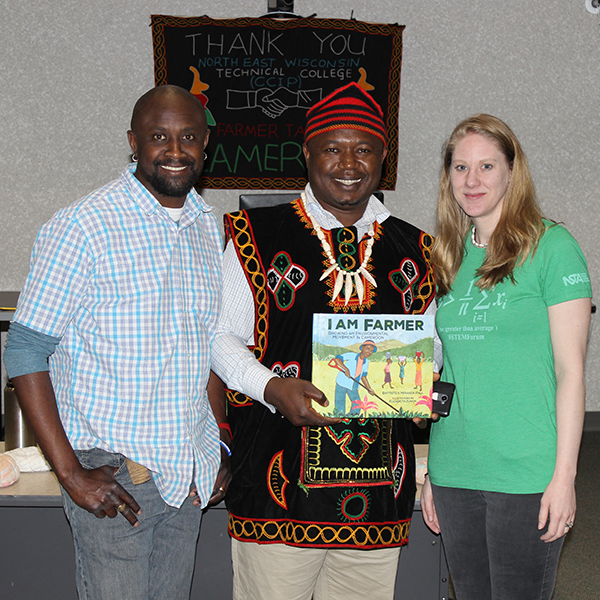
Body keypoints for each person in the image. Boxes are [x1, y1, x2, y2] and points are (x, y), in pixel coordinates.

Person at [211, 82, 438, 600]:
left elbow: (433, 341)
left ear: (384, 156)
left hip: (377, 490)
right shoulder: (255, 235)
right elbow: (219, 337)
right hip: (276, 479)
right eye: (332, 148)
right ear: (307, 152)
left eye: (364, 148)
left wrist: (421, 379)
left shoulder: (418, 248)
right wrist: (270, 387)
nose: (348, 163)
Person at [3, 85, 229, 600]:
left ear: (206, 144)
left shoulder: (206, 227)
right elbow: (23, 350)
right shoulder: (83, 226)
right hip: (113, 479)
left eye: (188, 137)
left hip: (187, 477)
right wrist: (72, 474)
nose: (175, 151)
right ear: (133, 142)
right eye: (158, 137)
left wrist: (218, 443)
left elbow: (206, 346)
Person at [421, 114, 592, 600]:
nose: (472, 181)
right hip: (456, 471)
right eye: (460, 168)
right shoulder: (446, 256)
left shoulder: (553, 248)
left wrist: (565, 477)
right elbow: (446, 372)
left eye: (487, 166)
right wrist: (434, 469)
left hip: (527, 472)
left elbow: (570, 373)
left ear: (512, 173)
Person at [333, 340, 377, 412]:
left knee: (357, 404)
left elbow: (363, 376)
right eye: (368, 349)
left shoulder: (366, 362)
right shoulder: (352, 355)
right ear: (362, 348)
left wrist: (369, 388)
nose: (369, 352)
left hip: (353, 384)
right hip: (342, 382)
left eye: (371, 351)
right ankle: (340, 420)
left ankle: (353, 418)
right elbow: (338, 358)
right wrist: (346, 369)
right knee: (340, 405)